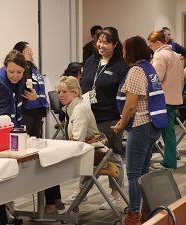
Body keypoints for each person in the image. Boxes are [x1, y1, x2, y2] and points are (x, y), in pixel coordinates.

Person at [112, 36, 165, 225]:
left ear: (131, 51)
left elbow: (131, 105)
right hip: (154, 125)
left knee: (134, 173)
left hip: (141, 125)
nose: (123, 53)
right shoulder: (149, 68)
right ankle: (145, 212)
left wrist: (121, 122)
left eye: (125, 49)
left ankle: (134, 215)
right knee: (143, 172)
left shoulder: (135, 71)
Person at [0, 50, 37, 225]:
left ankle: (5, 210)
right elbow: (2, 114)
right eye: (11, 72)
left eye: (19, 72)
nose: (15, 76)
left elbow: (21, 103)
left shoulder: (24, 75)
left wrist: (33, 98)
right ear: (5, 67)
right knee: (0, 173)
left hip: (13, 127)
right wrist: (15, 134)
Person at [81, 26, 129, 210]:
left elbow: (123, 94)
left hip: (110, 117)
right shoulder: (92, 60)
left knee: (113, 155)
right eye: (99, 41)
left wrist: (121, 119)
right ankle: (82, 192)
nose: (101, 45)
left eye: (106, 42)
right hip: (89, 115)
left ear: (115, 44)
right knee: (87, 155)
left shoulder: (121, 66)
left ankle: (116, 194)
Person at [44, 76, 100, 213]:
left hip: (93, 153)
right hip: (87, 150)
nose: (60, 95)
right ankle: (55, 202)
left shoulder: (79, 109)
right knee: (48, 162)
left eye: (64, 92)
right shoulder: (72, 108)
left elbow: (77, 141)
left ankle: (51, 204)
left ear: (75, 93)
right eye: (59, 92)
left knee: (46, 165)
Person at [148, 30, 185, 170]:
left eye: (151, 45)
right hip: (174, 97)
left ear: (157, 43)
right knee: (168, 130)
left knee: (164, 130)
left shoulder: (160, 56)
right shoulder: (175, 55)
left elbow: (156, 78)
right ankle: (170, 159)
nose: (150, 48)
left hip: (163, 98)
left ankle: (169, 161)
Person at [13, 41, 49, 138]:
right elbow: (25, 86)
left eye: (31, 51)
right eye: (27, 51)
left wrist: (37, 97)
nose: (31, 53)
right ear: (19, 53)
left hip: (38, 107)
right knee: (26, 139)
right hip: (26, 109)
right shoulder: (21, 68)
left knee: (36, 138)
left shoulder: (33, 67)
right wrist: (31, 94)